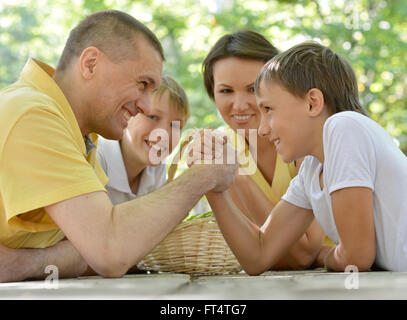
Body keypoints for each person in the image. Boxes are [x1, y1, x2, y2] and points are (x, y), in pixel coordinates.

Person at [0, 10, 236, 283]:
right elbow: (110, 251)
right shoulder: (34, 114)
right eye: (142, 83)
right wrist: (204, 175)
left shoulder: (79, 135)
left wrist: (25, 263)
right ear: (90, 64)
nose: (145, 106)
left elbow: (85, 250)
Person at [202, 41, 407, 274]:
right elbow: (258, 256)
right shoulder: (311, 168)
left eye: (268, 109)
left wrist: (324, 257)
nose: (262, 130)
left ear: (313, 103)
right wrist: (213, 185)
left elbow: (355, 258)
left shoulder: (344, 127)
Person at [199, 31, 330, 270]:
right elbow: (261, 256)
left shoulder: (303, 139)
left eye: (252, 89)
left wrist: (237, 174)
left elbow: (301, 256)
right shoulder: (224, 147)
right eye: (226, 91)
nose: (239, 105)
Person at [97, 75, 190, 205]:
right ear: (127, 114)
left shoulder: (157, 170)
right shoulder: (97, 157)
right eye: (152, 117)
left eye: (176, 125)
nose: (165, 134)